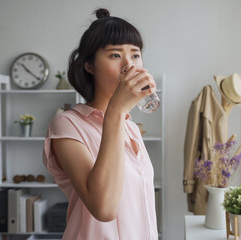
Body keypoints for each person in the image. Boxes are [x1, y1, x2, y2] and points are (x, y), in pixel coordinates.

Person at [42, 8, 158, 240]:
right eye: (115, 55)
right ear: (90, 66)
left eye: (135, 55)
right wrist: (116, 110)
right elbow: (103, 209)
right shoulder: (66, 125)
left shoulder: (131, 127)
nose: (129, 65)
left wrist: (119, 113)